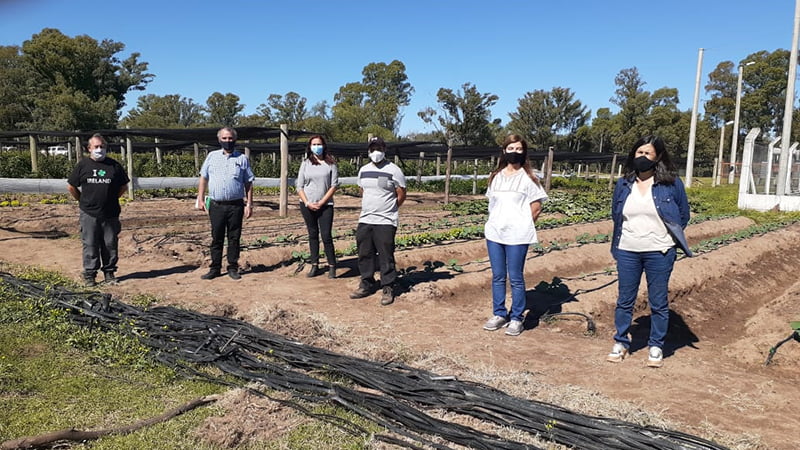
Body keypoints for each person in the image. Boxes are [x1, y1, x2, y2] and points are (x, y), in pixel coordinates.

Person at [607, 135, 692, 368]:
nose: (642, 157)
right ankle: (621, 342)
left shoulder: (671, 184)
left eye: (647, 154)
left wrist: (666, 238)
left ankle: (656, 346)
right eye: (639, 153)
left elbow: (683, 215)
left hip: (660, 251)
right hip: (628, 249)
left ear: (658, 157)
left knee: (658, 301)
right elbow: (616, 213)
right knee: (625, 299)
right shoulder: (624, 183)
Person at [482, 135, 548, 336]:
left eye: (519, 149)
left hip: (517, 236)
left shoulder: (529, 178)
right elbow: (492, 204)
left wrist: (520, 225)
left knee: (516, 277)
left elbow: (536, 207)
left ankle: (517, 317)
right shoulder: (497, 176)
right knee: (498, 276)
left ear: (524, 152)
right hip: (495, 233)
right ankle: (499, 314)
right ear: (504, 151)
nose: (514, 152)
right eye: (511, 148)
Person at [349, 137, 406, 306]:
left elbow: (401, 192)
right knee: (364, 252)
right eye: (373, 149)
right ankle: (366, 283)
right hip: (366, 218)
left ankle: (388, 286)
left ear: (384, 149)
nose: (376, 152)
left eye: (379, 148)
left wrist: (391, 208)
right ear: (368, 150)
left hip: (386, 220)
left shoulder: (394, 170)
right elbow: (363, 190)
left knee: (385, 254)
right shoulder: (363, 170)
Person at [67, 133, 130, 286]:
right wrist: (82, 200)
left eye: (102, 146)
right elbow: (71, 186)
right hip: (89, 213)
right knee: (90, 243)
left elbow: (123, 186)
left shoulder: (114, 166)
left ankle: (109, 272)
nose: (99, 149)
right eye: (96, 147)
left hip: (110, 213)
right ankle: (90, 274)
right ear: (89, 149)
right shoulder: (83, 166)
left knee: (110, 243)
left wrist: (112, 198)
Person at [196, 127, 255, 280]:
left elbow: (248, 183)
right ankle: (215, 268)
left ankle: (233, 267)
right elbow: (204, 178)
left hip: (236, 205)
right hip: (216, 205)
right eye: (224, 138)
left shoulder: (242, 159)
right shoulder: (211, 157)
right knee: (217, 237)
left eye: (230, 138)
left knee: (234, 237)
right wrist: (200, 198)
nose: (227, 141)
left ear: (235, 140)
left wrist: (249, 204)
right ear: (219, 139)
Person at [296, 135, 339, 278]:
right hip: (307, 205)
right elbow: (299, 186)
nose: (316, 147)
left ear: (324, 145)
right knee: (312, 234)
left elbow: (333, 185)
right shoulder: (306, 163)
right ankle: (315, 265)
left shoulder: (331, 163)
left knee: (326, 235)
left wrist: (322, 202)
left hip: (326, 205)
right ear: (310, 147)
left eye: (319, 144)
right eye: (314, 144)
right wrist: (307, 202)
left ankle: (332, 265)